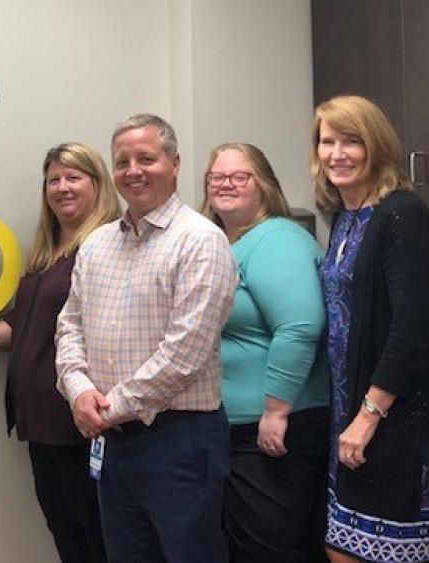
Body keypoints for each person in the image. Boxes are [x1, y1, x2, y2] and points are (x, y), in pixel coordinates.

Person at [55, 113, 238, 563]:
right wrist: (78, 391)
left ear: (174, 164)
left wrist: (106, 410)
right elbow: (68, 325)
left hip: (180, 442)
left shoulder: (201, 241)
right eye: (122, 161)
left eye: (146, 158)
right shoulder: (96, 245)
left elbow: (184, 353)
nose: (133, 170)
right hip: (114, 442)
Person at [0, 142, 120, 563]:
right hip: (38, 420)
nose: (62, 187)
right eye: (54, 179)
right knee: (64, 528)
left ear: (97, 184)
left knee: (94, 530)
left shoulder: (107, 245)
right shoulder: (45, 253)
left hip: (75, 417)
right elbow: (25, 326)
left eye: (74, 177)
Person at [313, 95, 429, 563]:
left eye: (351, 141)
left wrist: (368, 415)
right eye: (327, 141)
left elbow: (413, 325)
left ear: (376, 147)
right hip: (350, 411)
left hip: (393, 415)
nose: (336, 153)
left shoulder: (401, 213)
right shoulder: (344, 218)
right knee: (341, 547)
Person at [201, 142, 330, 562]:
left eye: (240, 176)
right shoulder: (221, 243)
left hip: (275, 431)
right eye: (217, 176)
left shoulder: (276, 238)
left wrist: (275, 411)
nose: (226, 184)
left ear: (264, 185)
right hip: (236, 431)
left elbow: (299, 325)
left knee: (270, 551)